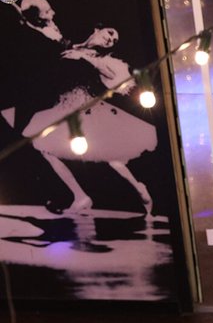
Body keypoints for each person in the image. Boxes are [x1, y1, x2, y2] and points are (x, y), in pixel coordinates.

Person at [22, 25, 158, 213]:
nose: (111, 39)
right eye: (110, 33)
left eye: (114, 41)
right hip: (65, 106)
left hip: (87, 108)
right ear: (97, 29)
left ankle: (139, 188)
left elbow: (113, 75)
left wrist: (84, 58)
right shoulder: (72, 46)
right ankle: (80, 196)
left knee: (113, 159)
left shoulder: (102, 59)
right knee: (43, 147)